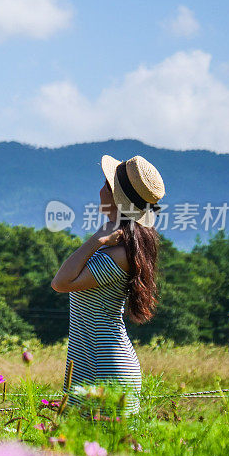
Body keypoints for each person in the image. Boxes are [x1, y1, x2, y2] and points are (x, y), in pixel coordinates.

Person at [50, 154, 166, 416]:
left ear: (115, 197)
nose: (100, 188)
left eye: (106, 183)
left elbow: (61, 282)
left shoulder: (119, 253)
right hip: (93, 362)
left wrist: (96, 239)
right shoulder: (120, 247)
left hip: (104, 369)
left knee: (103, 453)